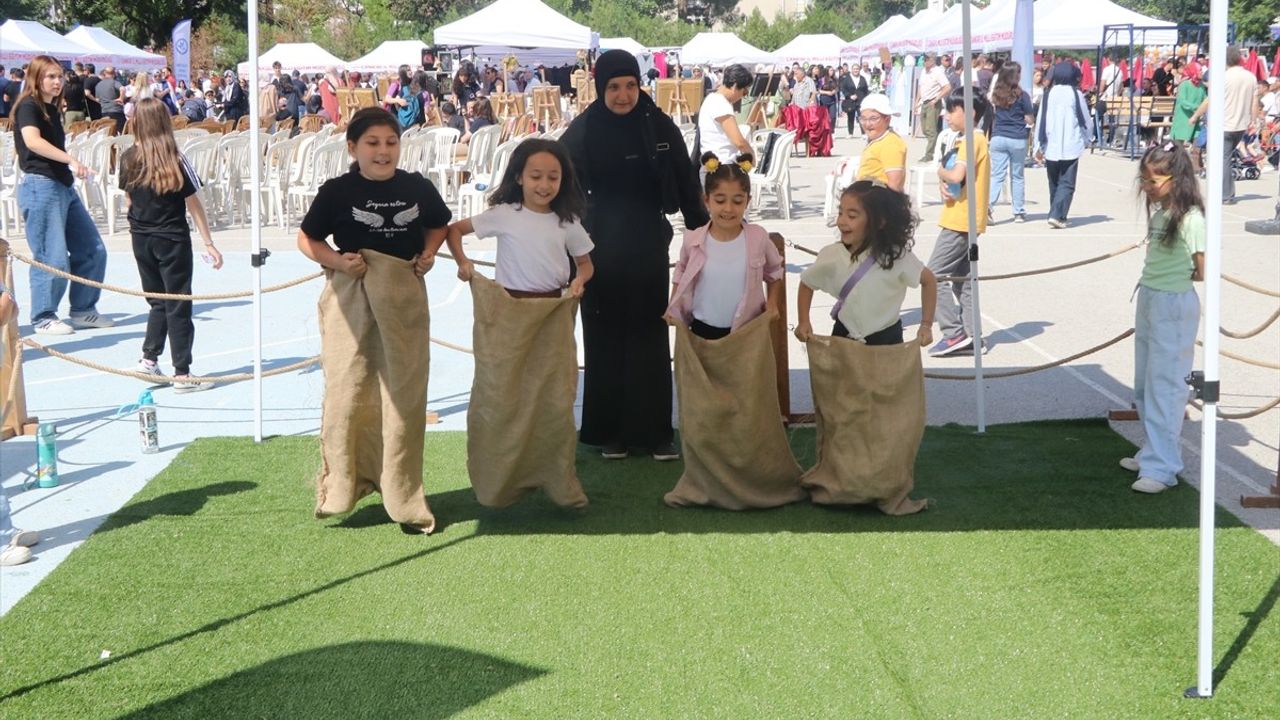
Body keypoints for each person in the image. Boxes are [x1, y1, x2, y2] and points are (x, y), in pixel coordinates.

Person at [297, 108, 451, 534]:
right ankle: (343, 485)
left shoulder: (416, 187)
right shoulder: (337, 191)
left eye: (390, 142)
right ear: (353, 148)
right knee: (349, 392)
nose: (383, 151)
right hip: (353, 299)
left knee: (403, 397)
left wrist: (430, 252)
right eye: (372, 143)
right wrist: (337, 262)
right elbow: (307, 238)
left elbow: (439, 224)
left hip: (403, 300)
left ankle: (403, 494)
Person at [560, 49, 709, 461]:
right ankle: (613, 433)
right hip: (597, 247)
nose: (623, 95)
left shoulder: (657, 125)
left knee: (648, 335)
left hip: (645, 242)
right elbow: (554, 179)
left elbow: (683, 178)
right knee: (604, 338)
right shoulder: (584, 130)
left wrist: (704, 234)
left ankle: (655, 433)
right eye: (613, 87)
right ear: (600, 87)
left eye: (630, 85)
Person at [119, 98, 224, 390]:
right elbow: (194, 201)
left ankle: (149, 359)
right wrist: (209, 242)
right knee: (178, 303)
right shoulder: (175, 158)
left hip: (140, 238)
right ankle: (182, 373)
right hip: (172, 238)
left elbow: (128, 200)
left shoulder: (128, 157)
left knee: (156, 301)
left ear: (137, 123)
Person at [1121, 142, 1205, 494]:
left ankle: (1163, 466)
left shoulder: (1192, 219)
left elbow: (1202, 270)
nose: (1146, 187)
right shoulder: (1161, 215)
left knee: (1166, 386)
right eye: (1143, 179)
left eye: (1152, 181)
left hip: (1173, 303)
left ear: (1175, 179)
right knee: (1145, 382)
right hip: (1151, 297)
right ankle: (1153, 451)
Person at [12, 55, 112, 335]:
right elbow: (32, 141)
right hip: (41, 186)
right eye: (51, 77)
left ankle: (83, 309)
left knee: (92, 249)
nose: (58, 82)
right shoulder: (29, 106)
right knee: (51, 257)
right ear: (36, 78)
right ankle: (43, 315)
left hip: (63, 187)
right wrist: (71, 160)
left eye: (60, 77)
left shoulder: (50, 109)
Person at [796, 179, 935, 347]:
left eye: (852, 216)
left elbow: (929, 280)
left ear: (881, 221)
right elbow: (807, 282)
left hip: (888, 341)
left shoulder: (897, 256)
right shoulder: (831, 254)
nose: (842, 221)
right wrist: (804, 321)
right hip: (844, 338)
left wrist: (926, 325)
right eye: (841, 213)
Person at [446, 138, 594, 296]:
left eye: (553, 178)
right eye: (536, 177)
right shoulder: (503, 215)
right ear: (519, 177)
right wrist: (463, 262)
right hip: (508, 307)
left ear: (562, 179)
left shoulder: (567, 221)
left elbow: (585, 263)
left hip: (553, 307)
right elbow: (455, 230)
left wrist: (579, 279)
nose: (544, 185)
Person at [666, 152, 782, 340]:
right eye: (720, 200)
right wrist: (674, 304)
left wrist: (773, 303)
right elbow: (681, 270)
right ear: (707, 201)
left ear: (747, 201)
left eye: (737, 201)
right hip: (701, 332)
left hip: (747, 332)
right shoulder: (693, 240)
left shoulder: (758, 237)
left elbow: (775, 271)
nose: (728, 208)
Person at [927, 89, 990, 357]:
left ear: (970, 113)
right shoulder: (973, 139)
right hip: (966, 217)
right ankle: (973, 336)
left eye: (952, 110)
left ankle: (954, 334)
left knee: (933, 275)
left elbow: (956, 174)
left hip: (960, 220)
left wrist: (940, 171)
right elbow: (959, 180)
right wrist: (947, 183)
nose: (947, 115)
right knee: (963, 280)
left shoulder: (969, 140)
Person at [1034, 62, 1093, 229]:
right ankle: (1057, 214)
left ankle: (1057, 213)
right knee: (1067, 182)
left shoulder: (1048, 94)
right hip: (1071, 143)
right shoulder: (1076, 94)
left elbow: (1041, 120)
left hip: (1050, 143)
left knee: (1054, 182)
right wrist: (1089, 137)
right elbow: (1085, 119)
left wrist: (1038, 145)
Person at [988, 62, 1035, 224]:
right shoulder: (1022, 96)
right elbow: (1030, 119)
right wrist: (1022, 117)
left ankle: (988, 206)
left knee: (997, 175)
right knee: (1017, 176)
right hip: (1017, 137)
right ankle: (1018, 212)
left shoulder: (996, 94)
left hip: (998, 136)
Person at [694, 64, 753, 165]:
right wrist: (753, 157)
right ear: (735, 86)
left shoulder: (711, 99)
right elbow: (739, 142)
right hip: (723, 166)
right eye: (744, 92)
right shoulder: (721, 104)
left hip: (714, 164)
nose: (744, 96)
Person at [856, 93, 907, 192]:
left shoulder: (891, 144)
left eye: (873, 119)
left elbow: (894, 185)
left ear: (887, 119)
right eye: (863, 119)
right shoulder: (878, 139)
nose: (867, 124)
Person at [916, 53, 950, 162]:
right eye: (924, 59)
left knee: (930, 130)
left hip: (933, 102)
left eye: (926, 59)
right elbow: (921, 87)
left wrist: (937, 99)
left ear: (932, 60)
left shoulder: (937, 72)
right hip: (924, 102)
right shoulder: (923, 71)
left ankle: (929, 154)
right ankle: (943, 148)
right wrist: (916, 101)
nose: (924, 61)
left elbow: (947, 87)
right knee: (925, 129)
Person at [839, 62, 869, 137]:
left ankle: (863, 133)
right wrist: (849, 96)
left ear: (859, 70)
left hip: (860, 101)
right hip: (850, 100)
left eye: (857, 69)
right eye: (854, 69)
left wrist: (864, 98)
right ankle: (850, 133)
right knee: (850, 117)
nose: (856, 70)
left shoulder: (862, 78)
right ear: (852, 70)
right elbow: (843, 88)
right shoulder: (847, 78)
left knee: (861, 117)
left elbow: (865, 89)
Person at [96, 66, 126, 132]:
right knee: (120, 132)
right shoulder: (114, 82)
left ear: (104, 73)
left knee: (108, 133)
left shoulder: (98, 84)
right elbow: (123, 89)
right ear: (114, 73)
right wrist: (121, 98)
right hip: (116, 111)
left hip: (104, 112)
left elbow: (97, 99)